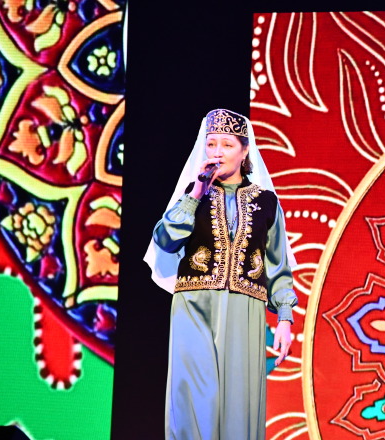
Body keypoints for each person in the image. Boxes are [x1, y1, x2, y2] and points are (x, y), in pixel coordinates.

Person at [144, 109, 298, 440]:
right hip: (193, 306)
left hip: (245, 308)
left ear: (245, 151)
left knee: (237, 404)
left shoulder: (266, 203)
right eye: (211, 143)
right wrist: (196, 194)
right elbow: (165, 241)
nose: (217, 152)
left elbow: (278, 265)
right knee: (195, 399)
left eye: (227, 145)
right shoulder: (193, 194)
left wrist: (285, 318)